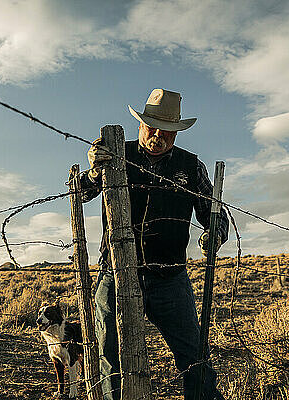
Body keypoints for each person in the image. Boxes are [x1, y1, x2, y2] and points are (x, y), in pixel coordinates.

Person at [80, 88, 228, 400]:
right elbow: (79, 194)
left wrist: (213, 233)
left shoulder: (191, 167)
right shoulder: (116, 154)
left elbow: (214, 212)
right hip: (116, 274)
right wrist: (95, 170)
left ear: (176, 132)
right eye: (151, 127)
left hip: (169, 277)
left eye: (167, 131)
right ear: (140, 124)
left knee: (194, 356)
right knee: (111, 357)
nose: (158, 135)